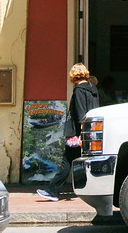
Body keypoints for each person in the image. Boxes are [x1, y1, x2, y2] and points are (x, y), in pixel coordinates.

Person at [37, 63, 100, 201]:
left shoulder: (78, 91)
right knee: (86, 161)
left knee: (67, 162)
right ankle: (90, 189)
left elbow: (80, 113)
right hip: (91, 131)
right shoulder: (93, 90)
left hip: (77, 133)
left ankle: (52, 191)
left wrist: (80, 135)